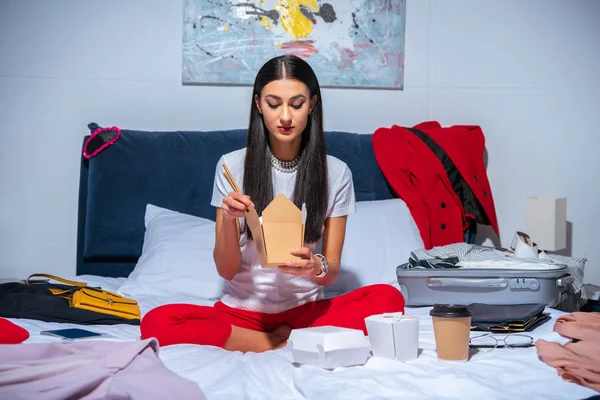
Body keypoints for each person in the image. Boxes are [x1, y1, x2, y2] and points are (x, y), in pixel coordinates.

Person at [140, 55, 405, 353]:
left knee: (389, 299)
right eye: (273, 103)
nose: (285, 117)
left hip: (306, 312)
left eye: (297, 103)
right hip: (242, 313)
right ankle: (274, 342)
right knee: (156, 321)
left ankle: (284, 336)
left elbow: (330, 272)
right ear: (258, 105)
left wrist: (314, 267)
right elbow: (226, 270)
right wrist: (228, 220)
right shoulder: (232, 166)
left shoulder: (337, 172)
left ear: (313, 104)